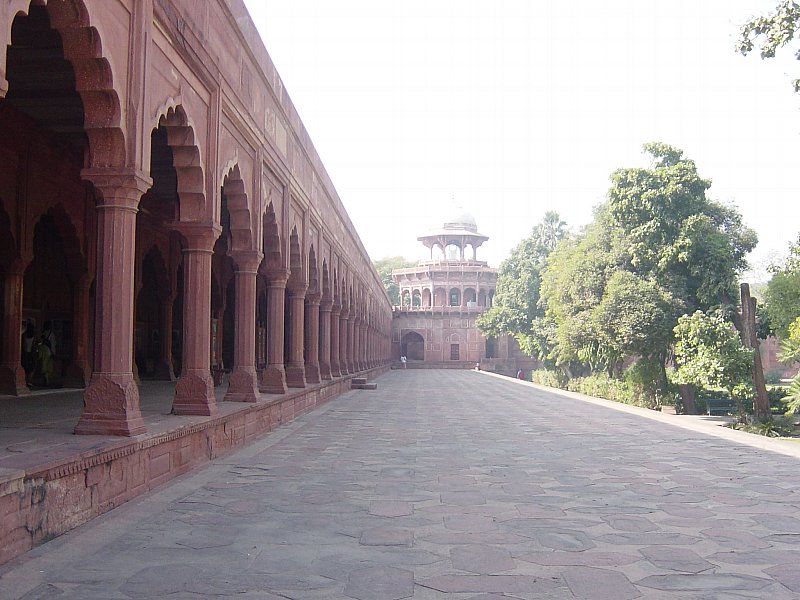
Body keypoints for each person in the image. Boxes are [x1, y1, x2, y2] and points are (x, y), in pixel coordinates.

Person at [37, 321, 56, 385]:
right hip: (48, 350)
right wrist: (53, 352)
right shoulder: (51, 333)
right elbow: (53, 343)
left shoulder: (43, 333)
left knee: (43, 363)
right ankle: (47, 378)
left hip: (42, 349)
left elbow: (39, 342)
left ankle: (45, 377)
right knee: (48, 364)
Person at [21, 320, 36, 385]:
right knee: (32, 367)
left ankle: (25, 380)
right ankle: (29, 380)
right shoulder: (34, 336)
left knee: (25, 366)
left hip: (25, 353)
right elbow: (34, 346)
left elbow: (23, 345)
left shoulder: (24, 335)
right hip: (32, 353)